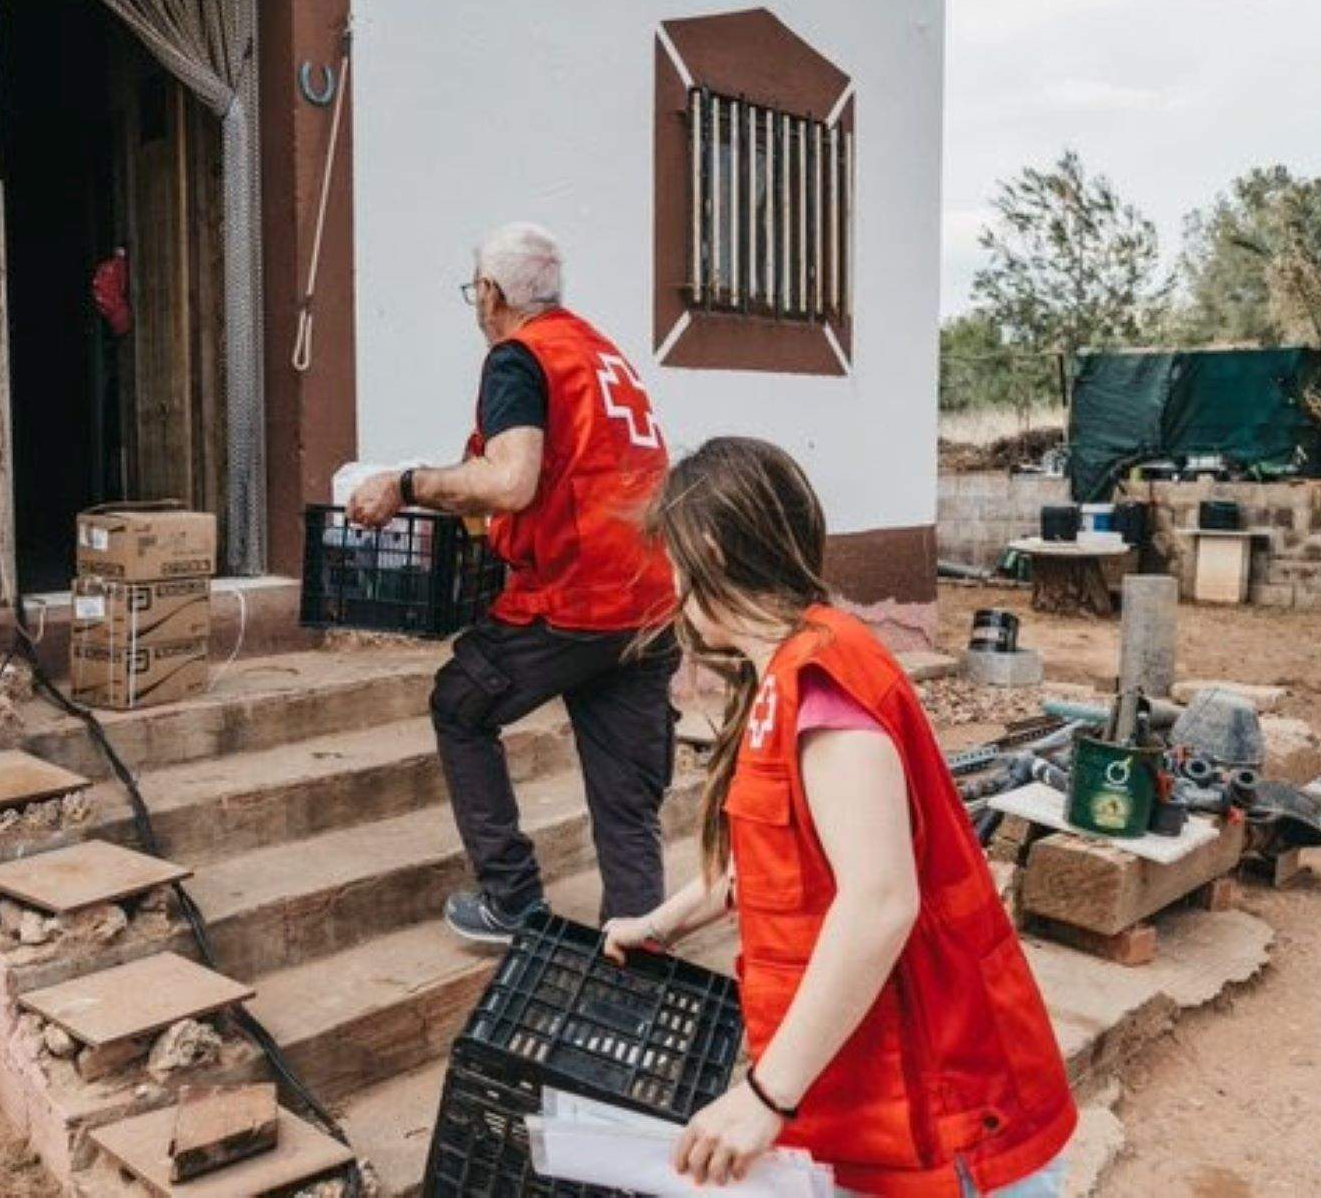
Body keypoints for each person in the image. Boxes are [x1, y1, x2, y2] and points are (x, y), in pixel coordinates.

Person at [603, 437, 1075, 1196]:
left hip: (941, 1109)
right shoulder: (784, 675)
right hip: (868, 1098)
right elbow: (776, 860)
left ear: (714, 549)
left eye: (677, 562)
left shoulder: (823, 682)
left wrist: (764, 1097)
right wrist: (662, 924)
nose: (674, 584)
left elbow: (880, 899)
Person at [346, 222, 679, 943]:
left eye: (476, 291)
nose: (476, 305)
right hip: (649, 600)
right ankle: (635, 946)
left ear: (491, 294)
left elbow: (510, 482)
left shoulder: (518, 359)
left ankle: (511, 899)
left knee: (460, 706)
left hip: (572, 598)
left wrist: (405, 484)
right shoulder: (598, 351)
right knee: (626, 798)